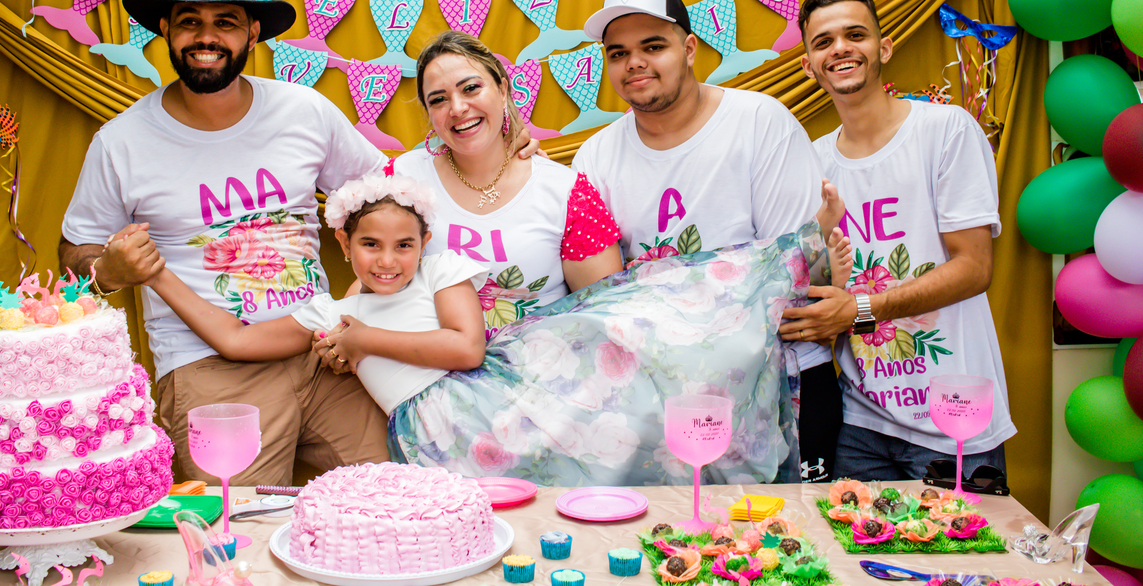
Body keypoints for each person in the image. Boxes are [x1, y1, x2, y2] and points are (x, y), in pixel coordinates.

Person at [150, 172, 824, 485]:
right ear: (344, 245)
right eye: (371, 245)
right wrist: (157, 275)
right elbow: (237, 340)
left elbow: (466, 348)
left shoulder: (440, 272)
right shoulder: (331, 313)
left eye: (403, 245)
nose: (388, 261)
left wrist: (361, 340)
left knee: (630, 348)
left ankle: (782, 266)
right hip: (427, 432)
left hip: (489, 400)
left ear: (424, 243)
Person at [58, 0, 392, 486]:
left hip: (323, 351)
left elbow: (384, 199)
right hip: (207, 367)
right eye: (190, 21)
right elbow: (76, 251)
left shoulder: (304, 111)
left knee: (398, 492)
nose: (206, 37)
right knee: (233, 523)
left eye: (226, 23)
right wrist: (108, 272)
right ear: (165, 29)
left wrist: (361, 296)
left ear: (253, 34)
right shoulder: (121, 142)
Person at [572, 0, 842, 483]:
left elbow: (792, 272)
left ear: (690, 49)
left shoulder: (759, 122)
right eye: (618, 53)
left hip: (779, 383)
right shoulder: (597, 156)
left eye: (653, 46)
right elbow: (602, 299)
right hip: (663, 396)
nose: (634, 63)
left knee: (784, 530)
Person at [782, 0, 1015, 480]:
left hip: (954, 420)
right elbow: (817, 284)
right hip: (861, 422)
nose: (840, 48)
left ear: (883, 48)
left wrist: (858, 310)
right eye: (823, 42)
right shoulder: (812, 162)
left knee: (959, 537)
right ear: (808, 65)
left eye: (855, 35)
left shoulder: (945, 131)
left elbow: (974, 268)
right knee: (848, 535)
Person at [387, 30, 624, 331]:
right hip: (424, 355)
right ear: (429, 113)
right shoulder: (402, 180)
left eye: (471, 88)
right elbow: (372, 281)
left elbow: (603, 312)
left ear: (502, 90)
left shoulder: (567, 191)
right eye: (439, 100)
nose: (457, 108)